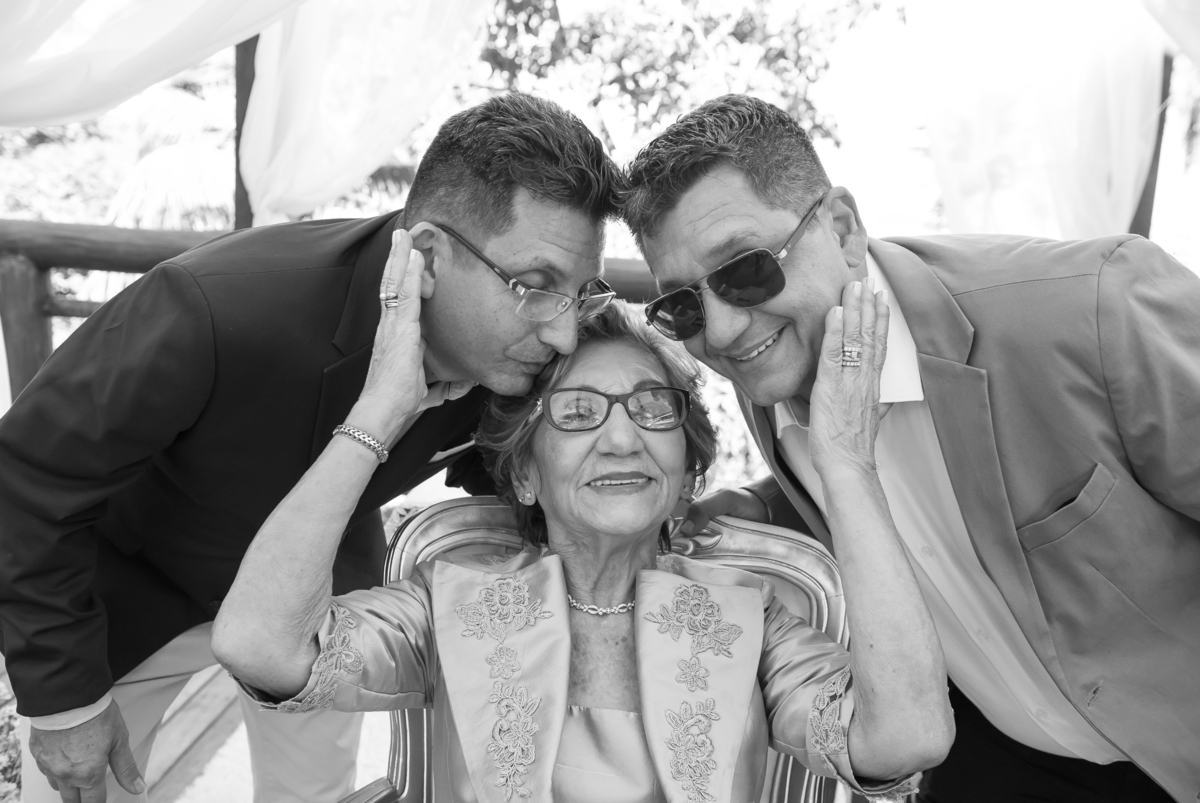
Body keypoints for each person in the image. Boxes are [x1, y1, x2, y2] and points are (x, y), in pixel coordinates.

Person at [0, 92, 623, 803]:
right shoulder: (212, 308)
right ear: (427, 256)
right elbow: (27, 478)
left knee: (315, 796)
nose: (564, 334)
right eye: (535, 286)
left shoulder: (516, 349)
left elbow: (505, 475)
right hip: (130, 590)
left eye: (581, 292)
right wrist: (66, 703)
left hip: (315, 591)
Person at [621, 93, 1200, 803]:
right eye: (681, 306)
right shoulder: (773, 365)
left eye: (745, 270)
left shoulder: (1094, 306)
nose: (720, 331)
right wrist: (754, 506)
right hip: (1002, 757)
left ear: (842, 228)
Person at [212, 290, 954, 801]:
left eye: (653, 408)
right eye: (576, 412)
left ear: (687, 467)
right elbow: (258, 643)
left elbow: (908, 735)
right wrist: (378, 412)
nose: (623, 438)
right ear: (525, 472)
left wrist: (847, 468)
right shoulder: (450, 603)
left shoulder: (751, 620)